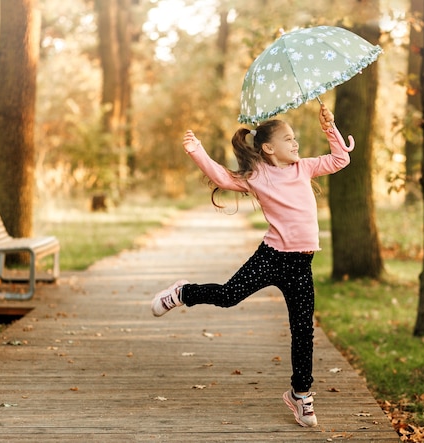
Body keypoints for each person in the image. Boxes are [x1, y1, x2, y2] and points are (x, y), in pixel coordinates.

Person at [151, 104, 354, 427]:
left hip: (301, 264)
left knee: (303, 331)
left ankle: (300, 394)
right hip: (271, 257)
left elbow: (341, 159)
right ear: (269, 148)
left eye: (295, 137)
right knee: (228, 295)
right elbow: (223, 177)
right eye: (288, 139)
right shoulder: (258, 176)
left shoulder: (305, 167)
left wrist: (330, 127)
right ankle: (182, 292)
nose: (296, 143)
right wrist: (197, 151)